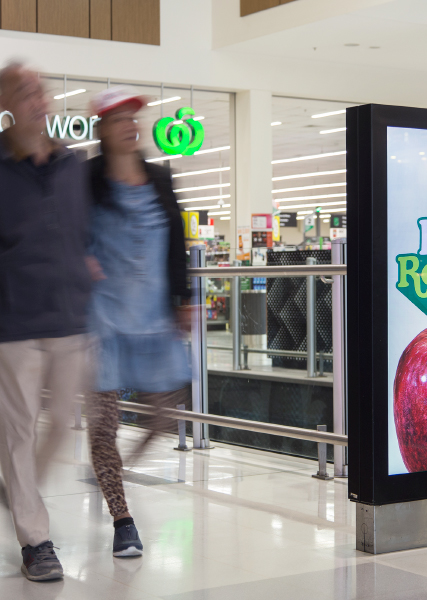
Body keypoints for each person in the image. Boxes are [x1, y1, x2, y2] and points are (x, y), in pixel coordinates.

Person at [85, 87, 192, 558]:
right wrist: (78, 258)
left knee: (165, 415)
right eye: (119, 119)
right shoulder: (87, 180)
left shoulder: (159, 177)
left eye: (133, 118)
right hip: (101, 320)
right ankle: (122, 519)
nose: (130, 126)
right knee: (103, 426)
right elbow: (65, 228)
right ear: (103, 130)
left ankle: (114, 469)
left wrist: (184, 299)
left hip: (153, 318)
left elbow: (177, 240)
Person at [0, 62, 93, 581]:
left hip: (68, 315)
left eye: (41, 91)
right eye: (24, 92)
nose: (37, 99)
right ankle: (36, 541)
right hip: (13, 319)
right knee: (18, 430)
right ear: (6, 106)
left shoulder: (72, 165)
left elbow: (83, 230)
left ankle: (18, 489)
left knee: (60, 422)